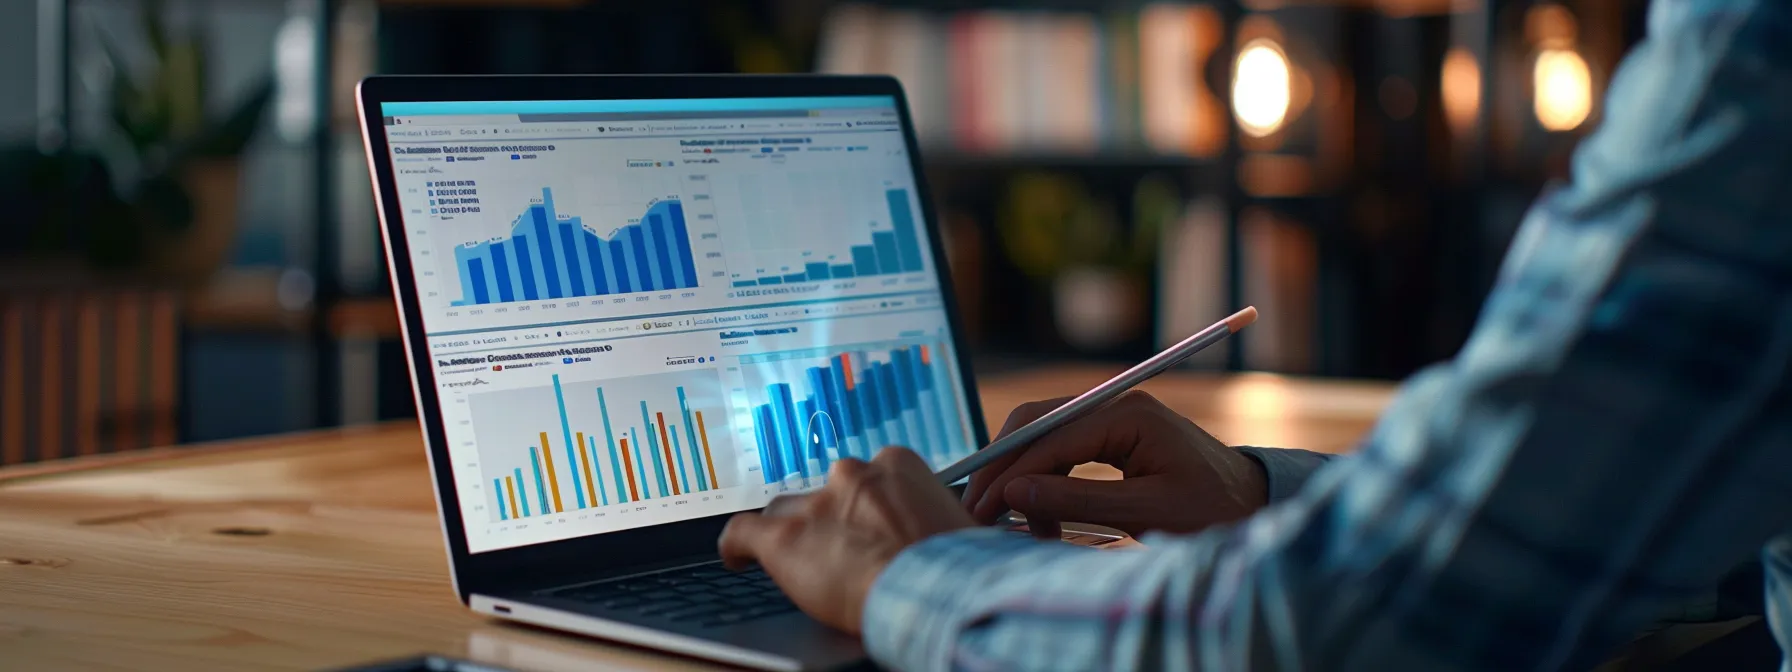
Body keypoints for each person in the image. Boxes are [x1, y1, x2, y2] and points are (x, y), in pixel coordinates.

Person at [718, 0, 1792, 669]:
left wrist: (917, 576)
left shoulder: (1756, 60)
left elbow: (1342, 631)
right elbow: (1729, 534)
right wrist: (1260, 494)